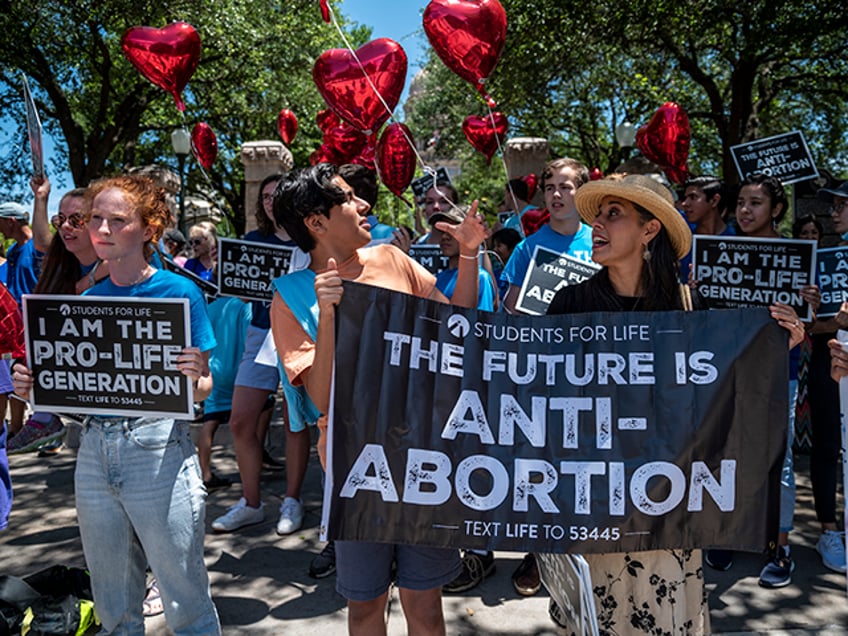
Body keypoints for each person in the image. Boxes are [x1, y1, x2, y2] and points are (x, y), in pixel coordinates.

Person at [543, 173, 804, 633]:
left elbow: (726, 389)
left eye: (613, 214)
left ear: (650, 230)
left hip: (669, 513)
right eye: (598, 216)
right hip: (593, 509)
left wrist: (773, 347)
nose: (597, 226)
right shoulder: (570, 305)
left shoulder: (689, 308)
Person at [270, 162, 486, 636]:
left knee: (425, 604)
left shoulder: (392, 259)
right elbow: (323, 396)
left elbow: (459, 329)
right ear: (316, 221)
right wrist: (328, 316)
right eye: (348, 198)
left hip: (425, 459)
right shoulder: (290, 297)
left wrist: (469, 254)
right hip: (358, 471)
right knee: (366, 606)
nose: (364, 204)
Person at [12, 174, 221, 634]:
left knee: (185, 600)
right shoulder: (88, 299)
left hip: (158, 452)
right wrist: (34, 385)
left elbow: (204, 387)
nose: (101, 230)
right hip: (92, 453)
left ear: (149, 229)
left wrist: (194, 378)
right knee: (112, 604)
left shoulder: (179, 293)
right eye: (95, 220)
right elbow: (77, 396)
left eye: (116, 220)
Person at [735, 172, 821, 587]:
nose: (745, 211)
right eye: (740, 202)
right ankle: (729, 533)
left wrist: (809, 309)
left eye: (755, 203)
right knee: (728, 455)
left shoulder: (797, 258)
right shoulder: (722, 253)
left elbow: (806, 325)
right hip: (728, 374)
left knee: (779, 461)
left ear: (776, 210)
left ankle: (780, 544)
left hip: (776, 376)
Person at [211, 173, 304, 537]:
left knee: (296, 419)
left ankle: (292, 500)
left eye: (276, 194)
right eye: (264, 196)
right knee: (240, 420)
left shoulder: (310, 237)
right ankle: (251, 503)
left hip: (300, 335)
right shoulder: (254, 240)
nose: (269, 201)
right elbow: (243, 293)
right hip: (261, 333)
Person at [7, 179, 104, 454]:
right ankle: (45, 416)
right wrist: (40, 198)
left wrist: (91, 280)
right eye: (60, 219)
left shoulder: (118, 262)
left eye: (76, 219)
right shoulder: (64, 261)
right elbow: (40, 241)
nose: (65, 226)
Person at [501, 158, 594, 315]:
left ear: (582, 193)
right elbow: (511, 313)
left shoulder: (601, 243)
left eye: (565, 187)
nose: (556, 194)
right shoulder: (526, 248)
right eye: (550, 188)